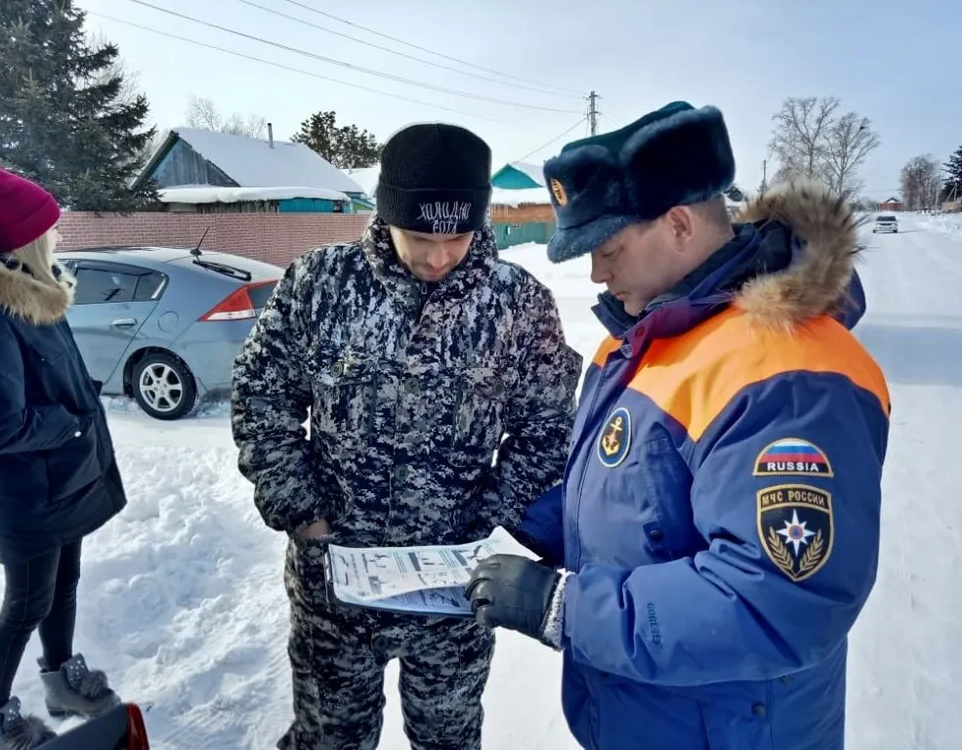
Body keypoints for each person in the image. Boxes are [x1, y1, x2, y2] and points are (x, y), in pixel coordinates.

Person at [465, 101, 890, 750]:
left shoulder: (790, 373)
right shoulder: (640, 341)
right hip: (649, 718)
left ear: (680, 225)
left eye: (608, 249)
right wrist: (533, 516)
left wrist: (564, 606)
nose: (595, 273)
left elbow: (777, 599)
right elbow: (652, 504)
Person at [231, 122, 582, 750]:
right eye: (420, 236)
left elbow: (549, 427)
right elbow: (261, 398)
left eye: (457, 236)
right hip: (333, 592)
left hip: (453, 599)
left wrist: (491, 518)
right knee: (328, 742)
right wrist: (303, 514)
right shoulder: (320, 285)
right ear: (384, 213)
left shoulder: (518, 305)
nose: (439, 256)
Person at [0, 161, 125, 749]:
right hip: (28, 496)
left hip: (66, 479)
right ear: (20, 240)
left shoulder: (39, 293)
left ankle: (62, 680)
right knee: (25, 603)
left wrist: (77, 410)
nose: (56, 235)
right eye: (48, 227)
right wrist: (70, 421)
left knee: (67, 584)